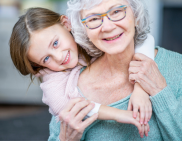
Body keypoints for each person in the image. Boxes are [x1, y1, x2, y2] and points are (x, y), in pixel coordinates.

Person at [48, 0, 182, 141]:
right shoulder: (72, 86)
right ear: (84, 30)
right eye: (93, 19)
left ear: (136, 15)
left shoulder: (178, 67)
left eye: (117, 12)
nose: (107, 27)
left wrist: (159, 90)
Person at [9, 7, 154, 138]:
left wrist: (140, 89)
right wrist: (121, 115)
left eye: (55, 43)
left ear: (66, 23)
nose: (59, 57)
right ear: (38, 66)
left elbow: (144, 39)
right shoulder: (52, 82)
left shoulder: (89, 33)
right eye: (46, 58)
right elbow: (72, 107)